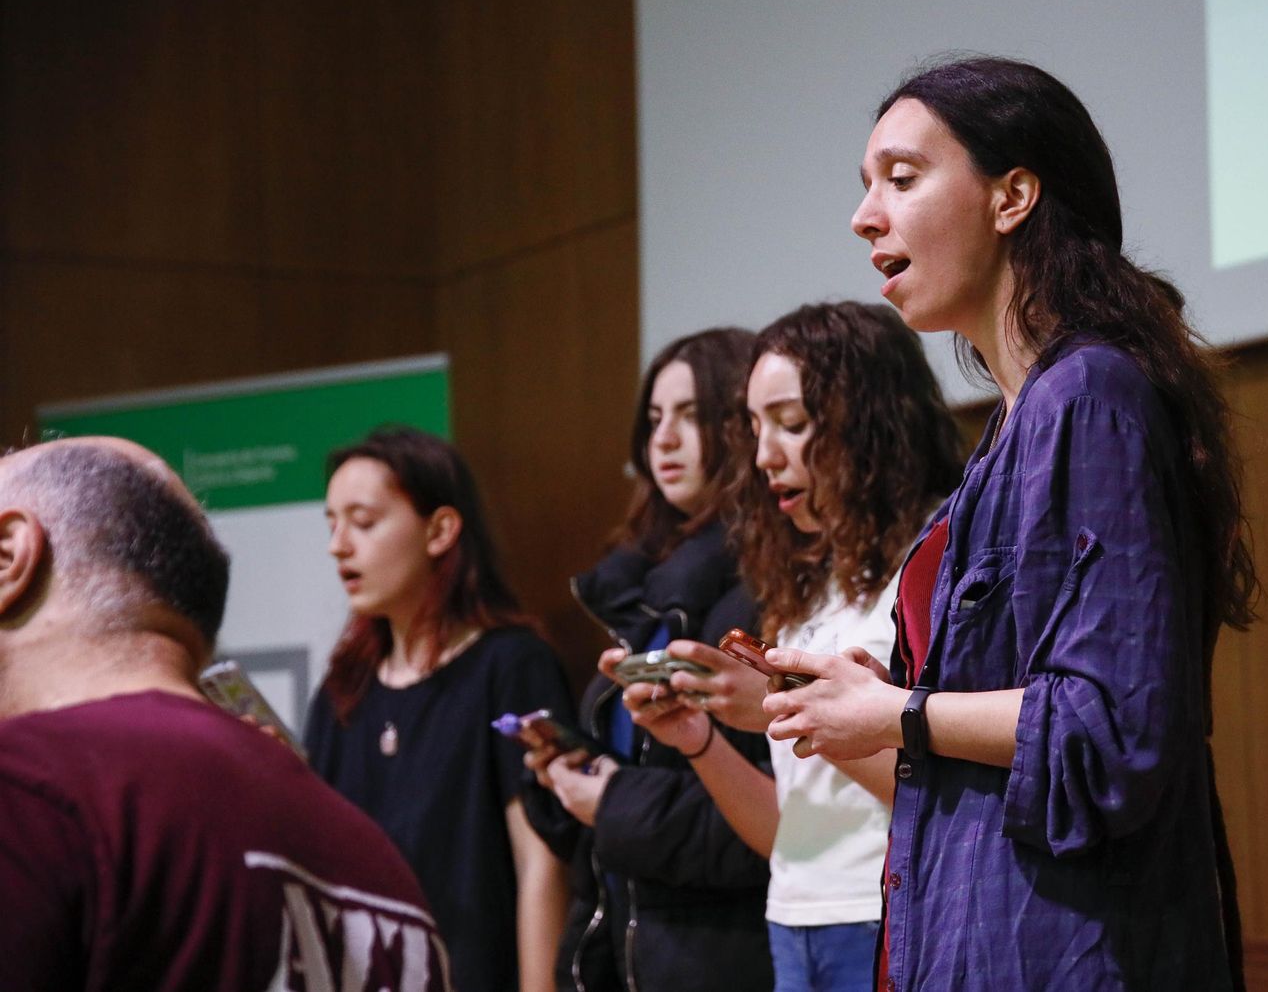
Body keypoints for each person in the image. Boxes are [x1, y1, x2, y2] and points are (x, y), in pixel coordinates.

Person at [760, 56, 1259, 990]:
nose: (865, 216)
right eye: (868, 186)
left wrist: (898, 714)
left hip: (1068, 952)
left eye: (902, 178)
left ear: (1013, 197)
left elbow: (1112, 727)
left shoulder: (1088, 395)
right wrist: (884, 700)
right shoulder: (1014, 425)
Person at [0, 437, 452, 992]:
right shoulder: (383, 874)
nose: (341, 545)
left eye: (363, 522)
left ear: (8, 556)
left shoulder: (26, 789)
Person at [629, 301, 964, 992]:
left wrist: (803, 709)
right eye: (755, 429)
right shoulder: (813, 581)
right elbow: (787, 831)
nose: (764, 457)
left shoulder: (936, 557)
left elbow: (948, 803)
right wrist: (700, 740)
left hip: (889, 913)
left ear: (868, 420)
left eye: (790, 423)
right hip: (795, 920)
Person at [522, 327, 775, 992]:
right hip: (629, 953)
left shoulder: (764, 592)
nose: (662, 440)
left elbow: (768, 823)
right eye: (656, 419)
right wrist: (570, 778)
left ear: (742, 426)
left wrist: (613, 800)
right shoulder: (641, 589)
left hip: (726, 962)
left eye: (691, 416)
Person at [305, 427, 571, 992]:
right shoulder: (341, 692)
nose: (338, 545)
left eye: (363, 522)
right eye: (332, 524)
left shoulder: (511, 666)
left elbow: (541, 862)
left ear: (440, 530)